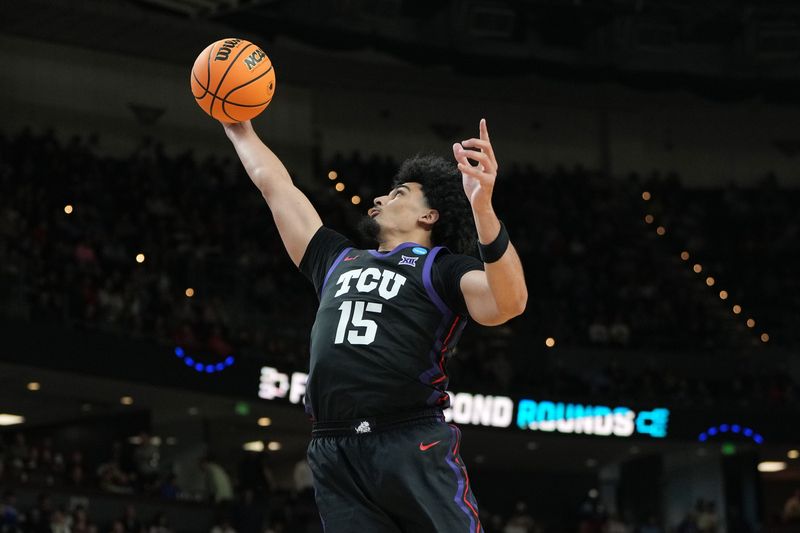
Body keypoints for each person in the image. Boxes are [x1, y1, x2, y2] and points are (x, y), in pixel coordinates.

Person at [223, 117, 526, 532]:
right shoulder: (336, 258)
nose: (378, 200)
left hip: (408, 438)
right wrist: (239, 129)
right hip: (334, 447)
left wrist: (483, 208)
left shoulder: (441, 269)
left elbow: (508, 303)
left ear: (430, 216)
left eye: (398, 192)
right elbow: (276, 187)